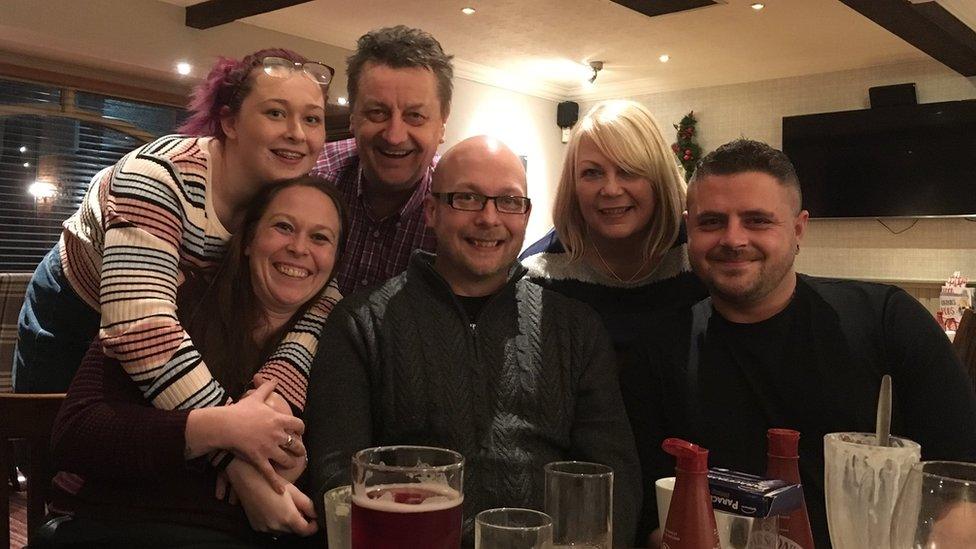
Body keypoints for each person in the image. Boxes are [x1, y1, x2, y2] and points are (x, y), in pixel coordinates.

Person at [622, 139, 976, 547]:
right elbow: (647, 518)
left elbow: (960, 488)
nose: (733, 239)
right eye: (712, 222)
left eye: (757, 220)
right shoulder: (659, 352)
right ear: (690, 229)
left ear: (798, 228)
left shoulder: (888, 323)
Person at [13, 49, 341, 482]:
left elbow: (325, 297)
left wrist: (267, 408)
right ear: (228, 122)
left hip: (172, 320)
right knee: (55, 462)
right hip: (75, 308)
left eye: (312, 119)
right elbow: (141, 333)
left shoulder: (284, 191)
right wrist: (238, 456)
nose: (297, 134)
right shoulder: (158, 176)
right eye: (276, 113)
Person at [304, 136, 642, 546]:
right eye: (466, 198)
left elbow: (613, 482)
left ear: (526, 214)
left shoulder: (576, 328)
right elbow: (338, 478)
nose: (489, 217)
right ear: (431, 210)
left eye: (508, 201)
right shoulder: (362, 324)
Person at [39, 176, 346, 547]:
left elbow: (333, 465)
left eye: (320, 237)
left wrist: (292, 473)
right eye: (283, 227)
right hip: (114, 526)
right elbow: (76, 434)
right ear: (248, 240)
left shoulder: (334, 341)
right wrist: (222, 430)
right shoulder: (174, 303)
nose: (298, 248)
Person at [520, 100, 705, 371]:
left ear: (659, 178)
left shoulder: (699, 258)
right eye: (592, 173)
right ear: (573, 184)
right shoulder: (538, 274)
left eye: (628, 170)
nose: (611, 189)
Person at [311, 25, 453, 294]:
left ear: (442, 126)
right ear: (353, 118)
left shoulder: (457, 214)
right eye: (377, 112)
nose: (395, 136)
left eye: (415, 116)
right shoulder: (313, 177)